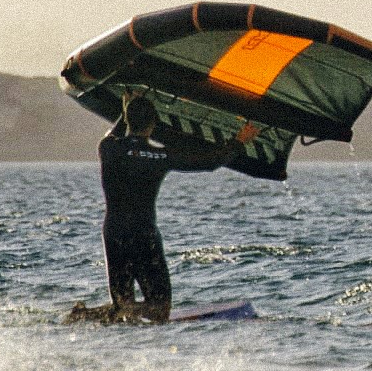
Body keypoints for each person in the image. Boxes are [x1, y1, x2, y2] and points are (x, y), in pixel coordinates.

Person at [68, 92, 258, 324]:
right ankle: (94, 314)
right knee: (160, 311)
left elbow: (114, 133)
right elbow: (210, 162)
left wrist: (125, 110)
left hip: (113, 232)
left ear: (128, 121)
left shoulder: (108, 149)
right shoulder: (160, 156)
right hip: (143, 233)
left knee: (123, 304)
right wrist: (241, 140)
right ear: (153, 125)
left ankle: (86, 315)